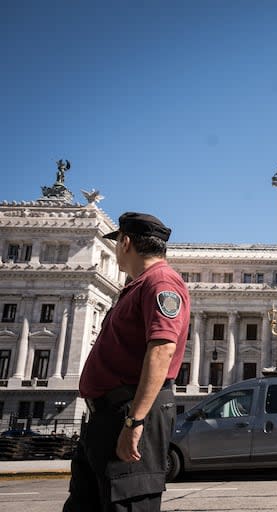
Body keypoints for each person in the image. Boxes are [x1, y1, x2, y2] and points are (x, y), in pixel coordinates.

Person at [64, 212, 190, 512]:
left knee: (128, 503)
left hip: (129, 412)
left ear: (125, 242)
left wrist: (135, 421)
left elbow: (162, 350)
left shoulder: (161, 282)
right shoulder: (138, 285)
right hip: (106, 417)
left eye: (116, 243)